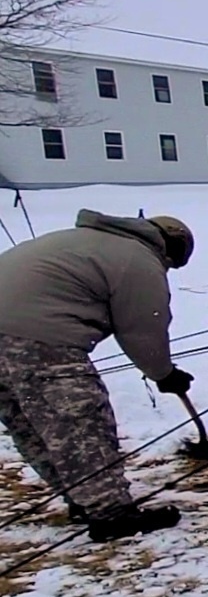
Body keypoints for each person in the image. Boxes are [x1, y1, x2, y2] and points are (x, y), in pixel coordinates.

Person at [0, 209, 196, 542]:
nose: (167, 269)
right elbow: (143, 328)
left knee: (33, 423)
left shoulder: (90, 242)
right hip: (38, 340)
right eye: (173, 263)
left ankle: (84, 499)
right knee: (79, 423)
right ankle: (111, 514)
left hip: (16, 333)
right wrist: (164, 373)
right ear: (169, 248)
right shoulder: (137, 258)